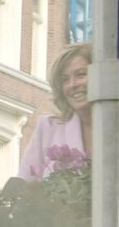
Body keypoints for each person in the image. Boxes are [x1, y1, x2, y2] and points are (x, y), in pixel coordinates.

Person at [19, 44, 92, 179]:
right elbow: (24, 185)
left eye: (81, 75)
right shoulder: (48, 127)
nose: (73, 84)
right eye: (65, 80)